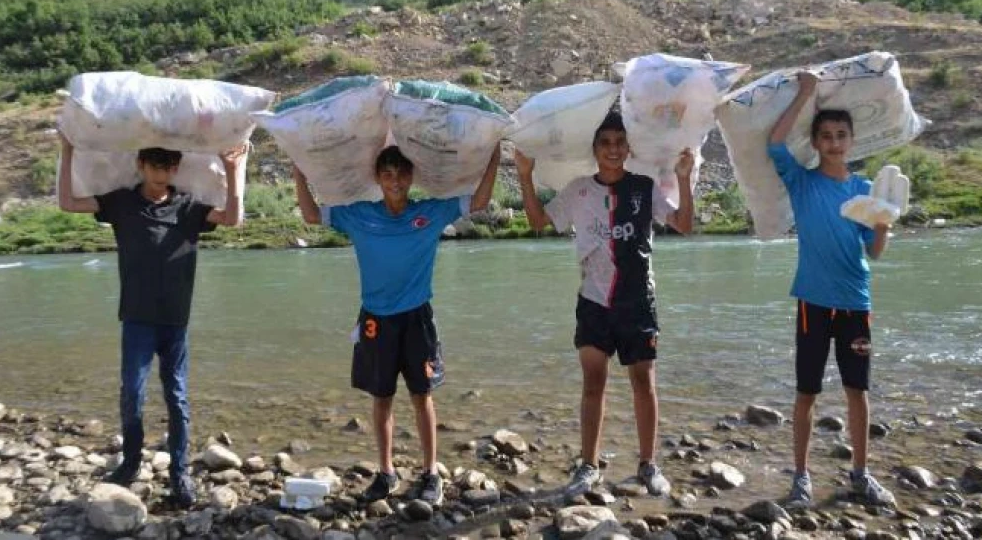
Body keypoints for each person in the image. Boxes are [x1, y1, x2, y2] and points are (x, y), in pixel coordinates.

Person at [294, 144, 501, 506]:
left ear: (411, 177)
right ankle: (386, 472)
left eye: (401, 174)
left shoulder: (430, 213)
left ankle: (431, 472)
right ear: (378, 178)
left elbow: (479, 202)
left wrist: (495, 156)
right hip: (375, 319)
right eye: (387, 174)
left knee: (422, 395)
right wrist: (299, 171)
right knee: (382, 397)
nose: (395, 181)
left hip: (417, 317)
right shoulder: (358, 215)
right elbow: (312, 216)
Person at [58, 135, 247, 508]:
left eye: (169, 166)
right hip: (137, 318)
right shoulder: (121, 202)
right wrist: (67, 152)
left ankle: (180, 474)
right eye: (155, 165)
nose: (162, 172)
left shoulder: (188, 206)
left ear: (176, 168)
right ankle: (130, 463)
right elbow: (67, 203)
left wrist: (231, 168)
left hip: (176, 320)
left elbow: (233, 219)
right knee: (132, 392)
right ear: (141, 166)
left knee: (176, 397)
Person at [514, 109, 694, 496]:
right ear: (594, 149)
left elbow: (684, 224)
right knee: (593, 384)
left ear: (628, 148)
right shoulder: (579, 190)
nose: (612, 150)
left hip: (637, 301)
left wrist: (683, 178)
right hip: (594, 302)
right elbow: (537, 221)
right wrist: (525, 175)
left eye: (619, 143)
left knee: (643, 384)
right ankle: (589, 466)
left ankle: (648, 464)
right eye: (605, 143)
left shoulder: (644, 188)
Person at [767, 71, 894, 506]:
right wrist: (805, 93)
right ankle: (801, 477)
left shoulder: (865, 190)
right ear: (817, 143)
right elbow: (774, 144)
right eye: (826, 136)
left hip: (856, 302)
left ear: (852, 140)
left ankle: (860, 473)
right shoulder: (802, 182)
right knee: (807, 392)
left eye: (841, 135)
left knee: (857, 392)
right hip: (813, 303)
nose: (835, 142)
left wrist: (883, 226)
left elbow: (874, 252)